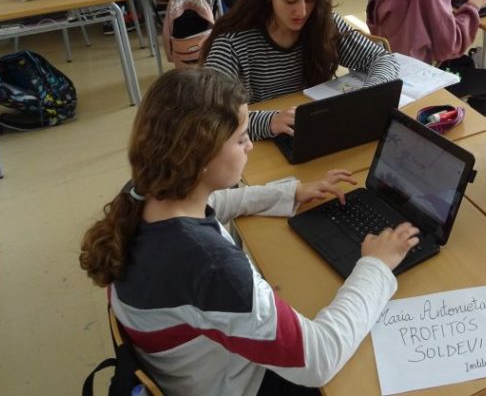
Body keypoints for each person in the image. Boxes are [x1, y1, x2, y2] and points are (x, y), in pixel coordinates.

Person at [79, 67, 419, 396]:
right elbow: (319, 358)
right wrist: (375, 266)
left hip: (195, 371)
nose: (250, 146)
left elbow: (214, 202)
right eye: (241, 138)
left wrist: (290, 193)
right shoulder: (211, 267)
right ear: (199, 157)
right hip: (242, 385)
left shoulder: (143, 193)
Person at [202, 0, 399, 140]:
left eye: (310, 0)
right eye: (290, 1)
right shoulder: (232, 42)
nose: (302, 12)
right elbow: (210, 116)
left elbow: (382, 58)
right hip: (256, 142)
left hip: (312, 131)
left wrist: (368, 95)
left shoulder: (322, 22)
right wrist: (269, 122)